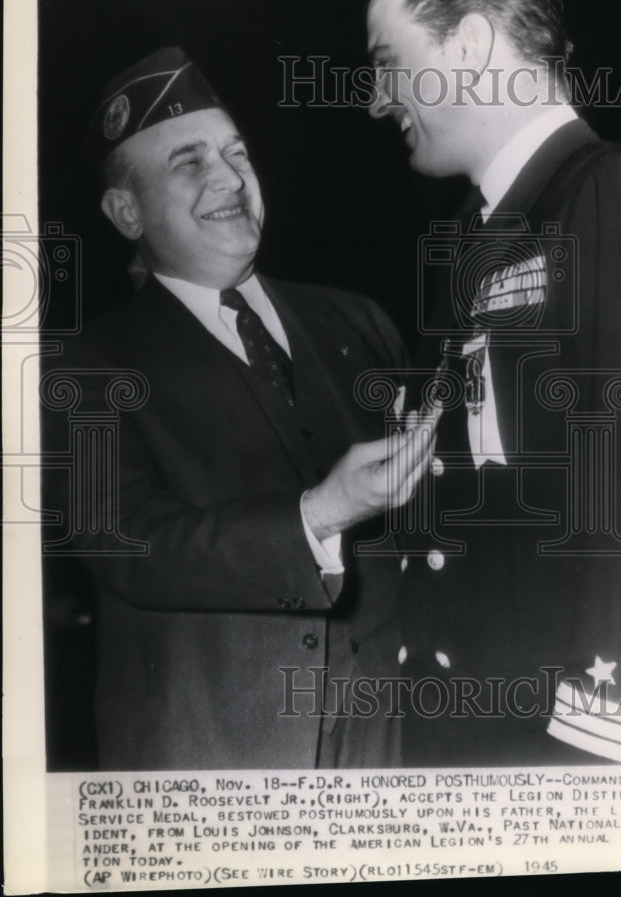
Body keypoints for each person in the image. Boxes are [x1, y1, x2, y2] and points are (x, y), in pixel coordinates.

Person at [366, 0, 621, 766]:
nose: (375, 99)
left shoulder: (612, 191)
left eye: (388, 63)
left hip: (577, 754)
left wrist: (590, 756)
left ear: (465, 47)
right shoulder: (477, 232)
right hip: (479, 732)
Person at [44, 46, 435, 771]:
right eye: (189, 162)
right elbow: (127, 545)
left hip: (387, 749)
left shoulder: (359, 323)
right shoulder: (81, 367)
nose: (228, 178)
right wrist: (317, 514)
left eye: (235, 154)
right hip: (212, 763)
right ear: (125, 211)